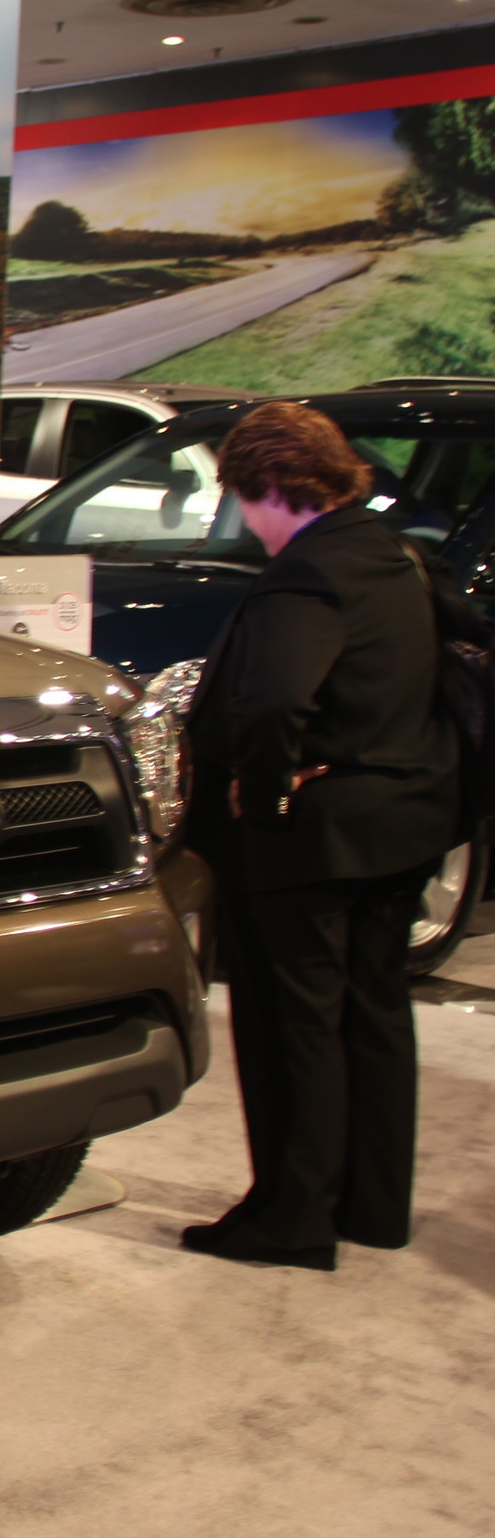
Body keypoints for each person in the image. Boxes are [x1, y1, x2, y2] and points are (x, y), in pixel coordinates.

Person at [182, 401, 465, 1271]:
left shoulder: (303, 577)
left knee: (292, 1024)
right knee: (374, 1012)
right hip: (404, 821)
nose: (246, 521)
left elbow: (273, 703)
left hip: (313, 841)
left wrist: (259, 804)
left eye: (242, 499)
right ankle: (373, 1205)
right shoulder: (399, 557)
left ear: (272, 485)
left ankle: (292, 1216)